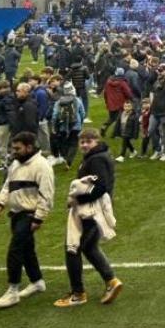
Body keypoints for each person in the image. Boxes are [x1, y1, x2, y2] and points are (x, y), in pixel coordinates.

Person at [54, 129, 123, 307]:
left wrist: (77, 199)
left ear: (97, 142)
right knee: (90, 248)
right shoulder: (97, 156)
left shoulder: (97, 159)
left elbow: (101, 187)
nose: (84, 144)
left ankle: (78, 294)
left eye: (89, 141)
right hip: (94, 211)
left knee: (73, 248)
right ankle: (111, 282)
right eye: (82, 141)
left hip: (91, 212)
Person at [0, 131, 55, 309]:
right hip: (16, 213)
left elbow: (47, 195)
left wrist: (39, 218)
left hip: (29, 215)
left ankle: (13, 290)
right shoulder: (16, 164)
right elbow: (8, 184)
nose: (14, 151)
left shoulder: (42, 166)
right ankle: (37, 281)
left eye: (18, 148)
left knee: (15, 250)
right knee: (27, 250)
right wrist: (1, 202)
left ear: (29, 147)